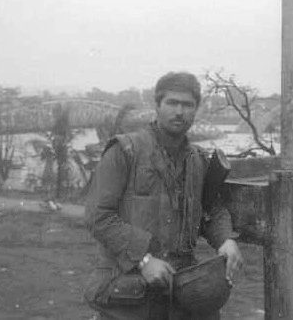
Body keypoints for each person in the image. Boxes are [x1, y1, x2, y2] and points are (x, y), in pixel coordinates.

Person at [85, 72, 243, 320]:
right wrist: (144, 260)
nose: (179, 111)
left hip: (183, 293)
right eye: (172, 103)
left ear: (196, 110)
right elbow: (99, 216)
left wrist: (225, 239)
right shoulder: (124, 151)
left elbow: (211, 210)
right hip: (129, 293)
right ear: (156, 105)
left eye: (187, 105)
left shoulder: (199, 161)